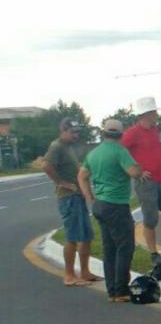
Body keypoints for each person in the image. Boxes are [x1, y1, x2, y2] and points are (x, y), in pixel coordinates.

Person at [78, 119, 145, 302]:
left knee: (109, 249)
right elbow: (134, 172)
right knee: (125, 247)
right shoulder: (120, 151)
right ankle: (121, 290)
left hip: (100, 204)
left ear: (104, 133)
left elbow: (82, 176)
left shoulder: (94, 153)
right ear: (121, 135)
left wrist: (89, 197)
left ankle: (112, 291)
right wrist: (139, 166)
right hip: (116, 204)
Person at [121, 96, 161, 264]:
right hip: (147, 182)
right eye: (154, 112)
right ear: (146, 114)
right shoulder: (132, 133)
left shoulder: (156, 130)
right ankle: (153, 253)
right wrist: (136, 172)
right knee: (150, 219)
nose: (156, 115)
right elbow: (120, 153)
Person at [42, 118, 100, 286]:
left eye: (77, 132)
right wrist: (61, 182)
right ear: (64, 130)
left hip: (78, 196)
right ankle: (69, 275)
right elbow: (46, 165)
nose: (76, 135)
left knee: (86, 235)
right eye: (73, 132)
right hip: (68, 197)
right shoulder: (57, 146)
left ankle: (85, 271)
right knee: (73, 236)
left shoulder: (69, 147)